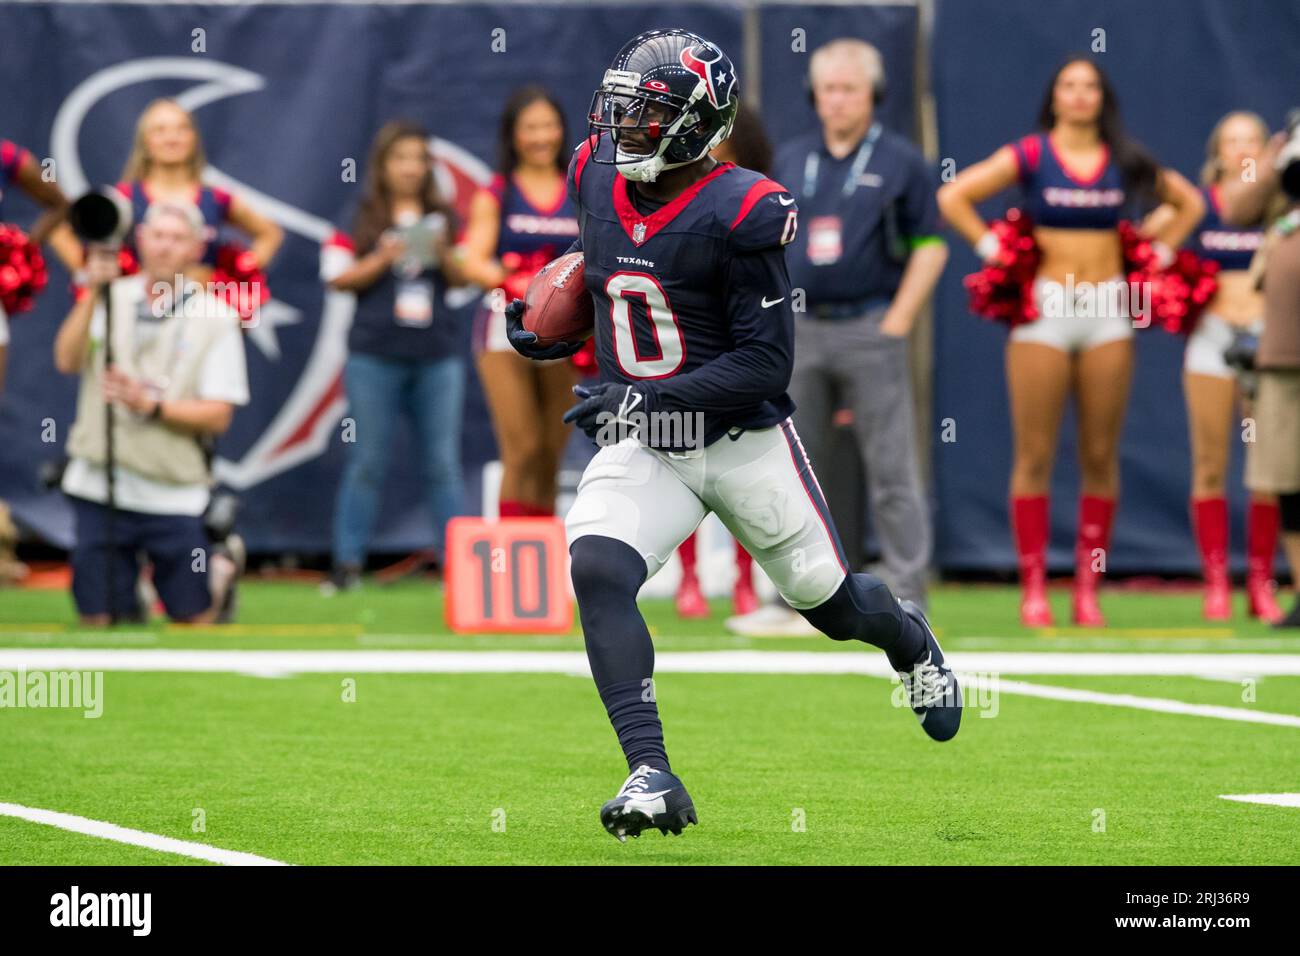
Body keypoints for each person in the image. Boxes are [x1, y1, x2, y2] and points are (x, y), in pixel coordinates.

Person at [505, 29, 962, 842]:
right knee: (598, 566)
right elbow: (608, 264)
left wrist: (644, 401)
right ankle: (651, 770)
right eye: (620, 110)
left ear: (694, 122)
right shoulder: (592, 171)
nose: (621, 130)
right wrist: (553, 325)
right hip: (649, 440)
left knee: (832, 606)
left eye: (644, 115)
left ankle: (909, 641)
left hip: (739, 439)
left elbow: (763, 365)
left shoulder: (742, 207)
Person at [937, 56, 1204, 627]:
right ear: (1054, 97)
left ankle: (1087, 590)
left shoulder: (1125, 158)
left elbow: (1191, 205)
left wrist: (1154, 256)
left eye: (1090, 86)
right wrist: (993, 251)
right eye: (1069, 85)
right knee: (1033, 453)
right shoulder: (1032, 154)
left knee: (1101, 454)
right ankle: (1033, 587)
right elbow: (953, 196)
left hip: (1107, 308)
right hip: (1046, 308)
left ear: (1101, 98)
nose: (1080, 95)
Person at [771, 39, 947, 611]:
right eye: (828, 89)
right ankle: (801, 590)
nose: (838, 101)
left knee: (892, 463)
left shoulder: (901, 161)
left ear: (873, 96)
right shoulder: (793, 159)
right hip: (801, 328)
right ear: (813, 96)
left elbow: (931, 246)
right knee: (794, 465)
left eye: (850, 89)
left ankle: (907, 588)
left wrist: (898, 320)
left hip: (870, 324)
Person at [52, 201, 246, 624]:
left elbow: (219, 415)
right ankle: (128, 592)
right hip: (101, 480)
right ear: (139, 240)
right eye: (157, 235)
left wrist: (151, 406)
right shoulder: (110, 298)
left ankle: (217, 572)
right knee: (100, 619)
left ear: (197, 248)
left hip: (173, 487)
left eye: (177, 238)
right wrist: (91, 293)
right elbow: (66, 361)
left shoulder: (215, 316)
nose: (165, 247)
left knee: (194, 617)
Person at [321, 121, 468, 592]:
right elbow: (337, 279)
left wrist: (443, 253)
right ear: (382, 165)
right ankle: (346, 565)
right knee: (368, 460)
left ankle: (459, 570)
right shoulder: (359, 213)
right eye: (399, 158)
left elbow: (465, 279)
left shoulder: (445, 216)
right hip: (375, 353)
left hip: (435, 353)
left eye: (418, 158)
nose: (409, 168)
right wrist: (383, 257)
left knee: (443, 462)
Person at [1148, 113, 1283, 622]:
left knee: (1265, 469)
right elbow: (1145, 245)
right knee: (1209, 465)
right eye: (1232, 141)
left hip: (1264, 345)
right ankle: (1217, 583)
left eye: (1253, 140)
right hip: (1210, 341)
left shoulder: (1277, 207)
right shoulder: (1199, 206)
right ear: (1217, 152)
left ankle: (1262, 584)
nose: (1243, 150)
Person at [671, 101, 773, 619]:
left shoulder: (753, 198)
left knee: (742, 472)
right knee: (682, 457)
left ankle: (744, 578)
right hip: (688, 341)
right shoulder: (671, 190)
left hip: (735, 340)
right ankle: (687, 576)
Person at [457, 87, 580, 519]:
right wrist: (514, 279)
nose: (541, 136)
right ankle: (507, 566)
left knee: (550, 450)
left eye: (549, 125)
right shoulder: (498, 192)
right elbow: (471, 259)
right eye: (530, 127)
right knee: (522, 448)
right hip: (501, 328)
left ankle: (541, 568)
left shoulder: (577, 187)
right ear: (513, 135)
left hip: (565, 332)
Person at [1221, 118, 1300, 629]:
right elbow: (1236, 209)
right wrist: (1278, 154)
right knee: (1288, 481)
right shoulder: (1286, 166)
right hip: (1281, 358)